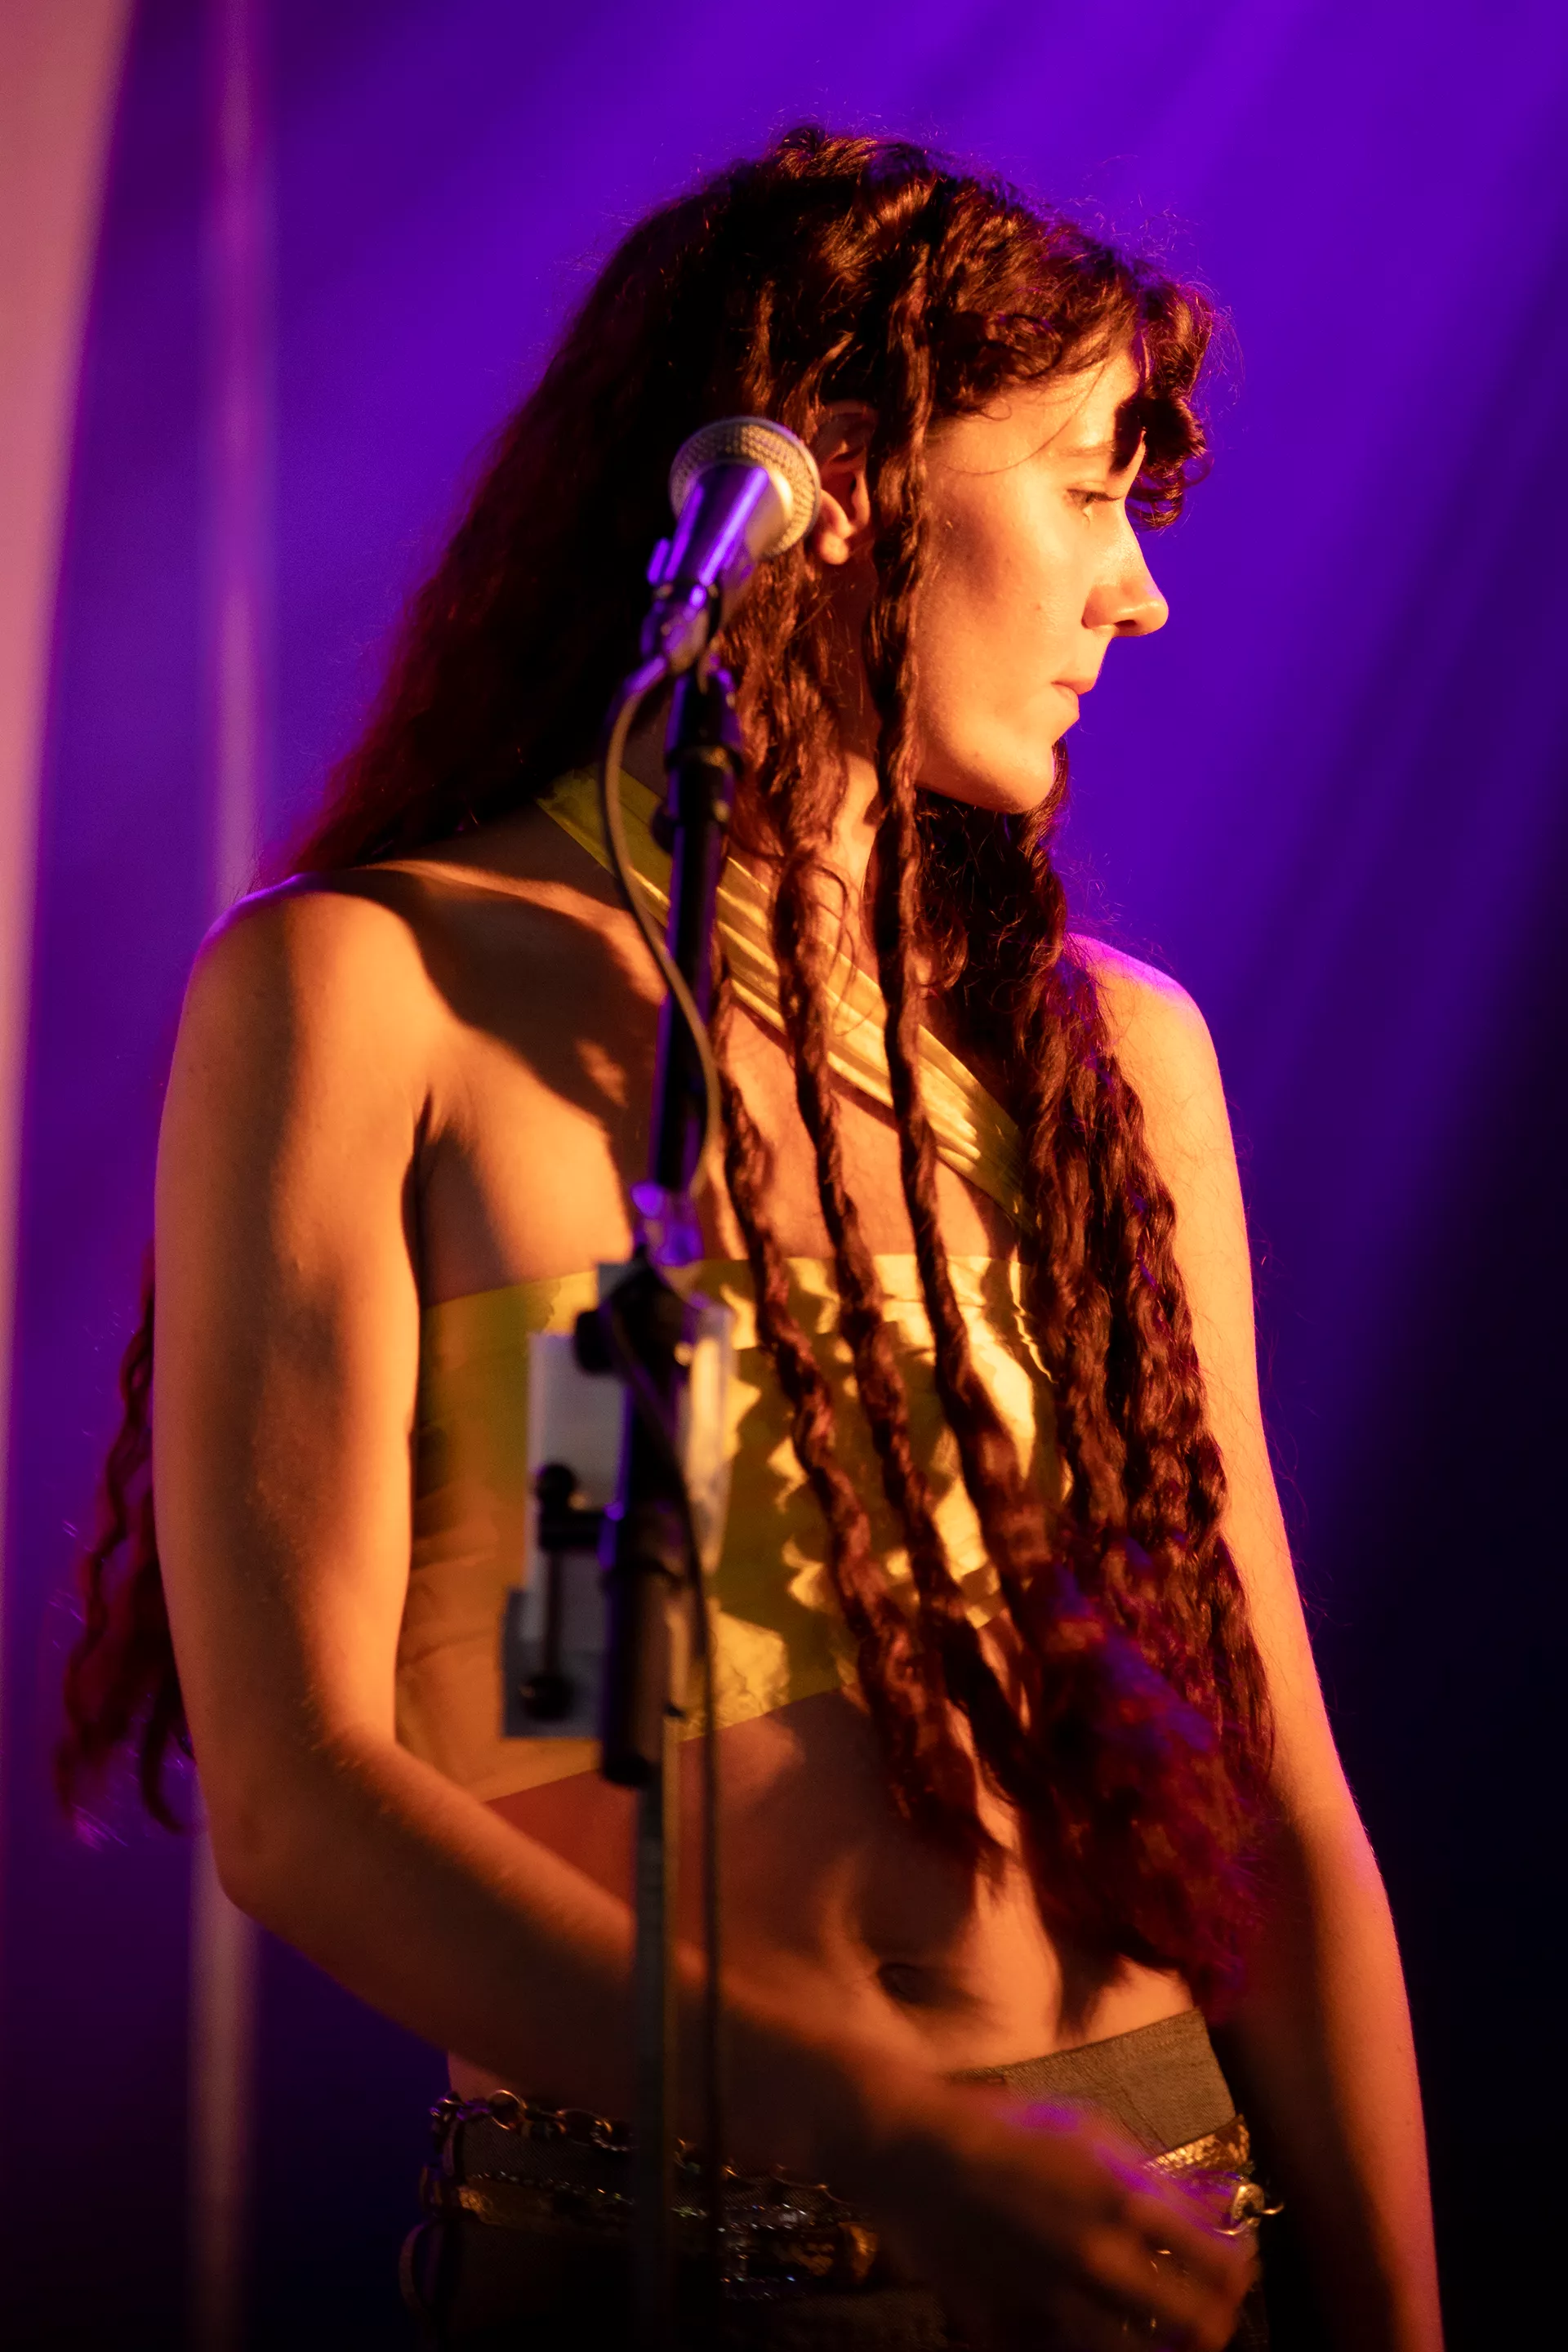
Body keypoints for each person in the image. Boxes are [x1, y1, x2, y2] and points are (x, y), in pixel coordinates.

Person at [59, 129, 1443, 2350]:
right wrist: (880, 2132)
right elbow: (302, 1800)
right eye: (1089, 488)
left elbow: (1272, 1795)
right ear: (839, 478)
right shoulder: (367, 993)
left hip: (1158, 2224)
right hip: (660, 2246)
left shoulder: (1104, 1057)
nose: (1137, 593)